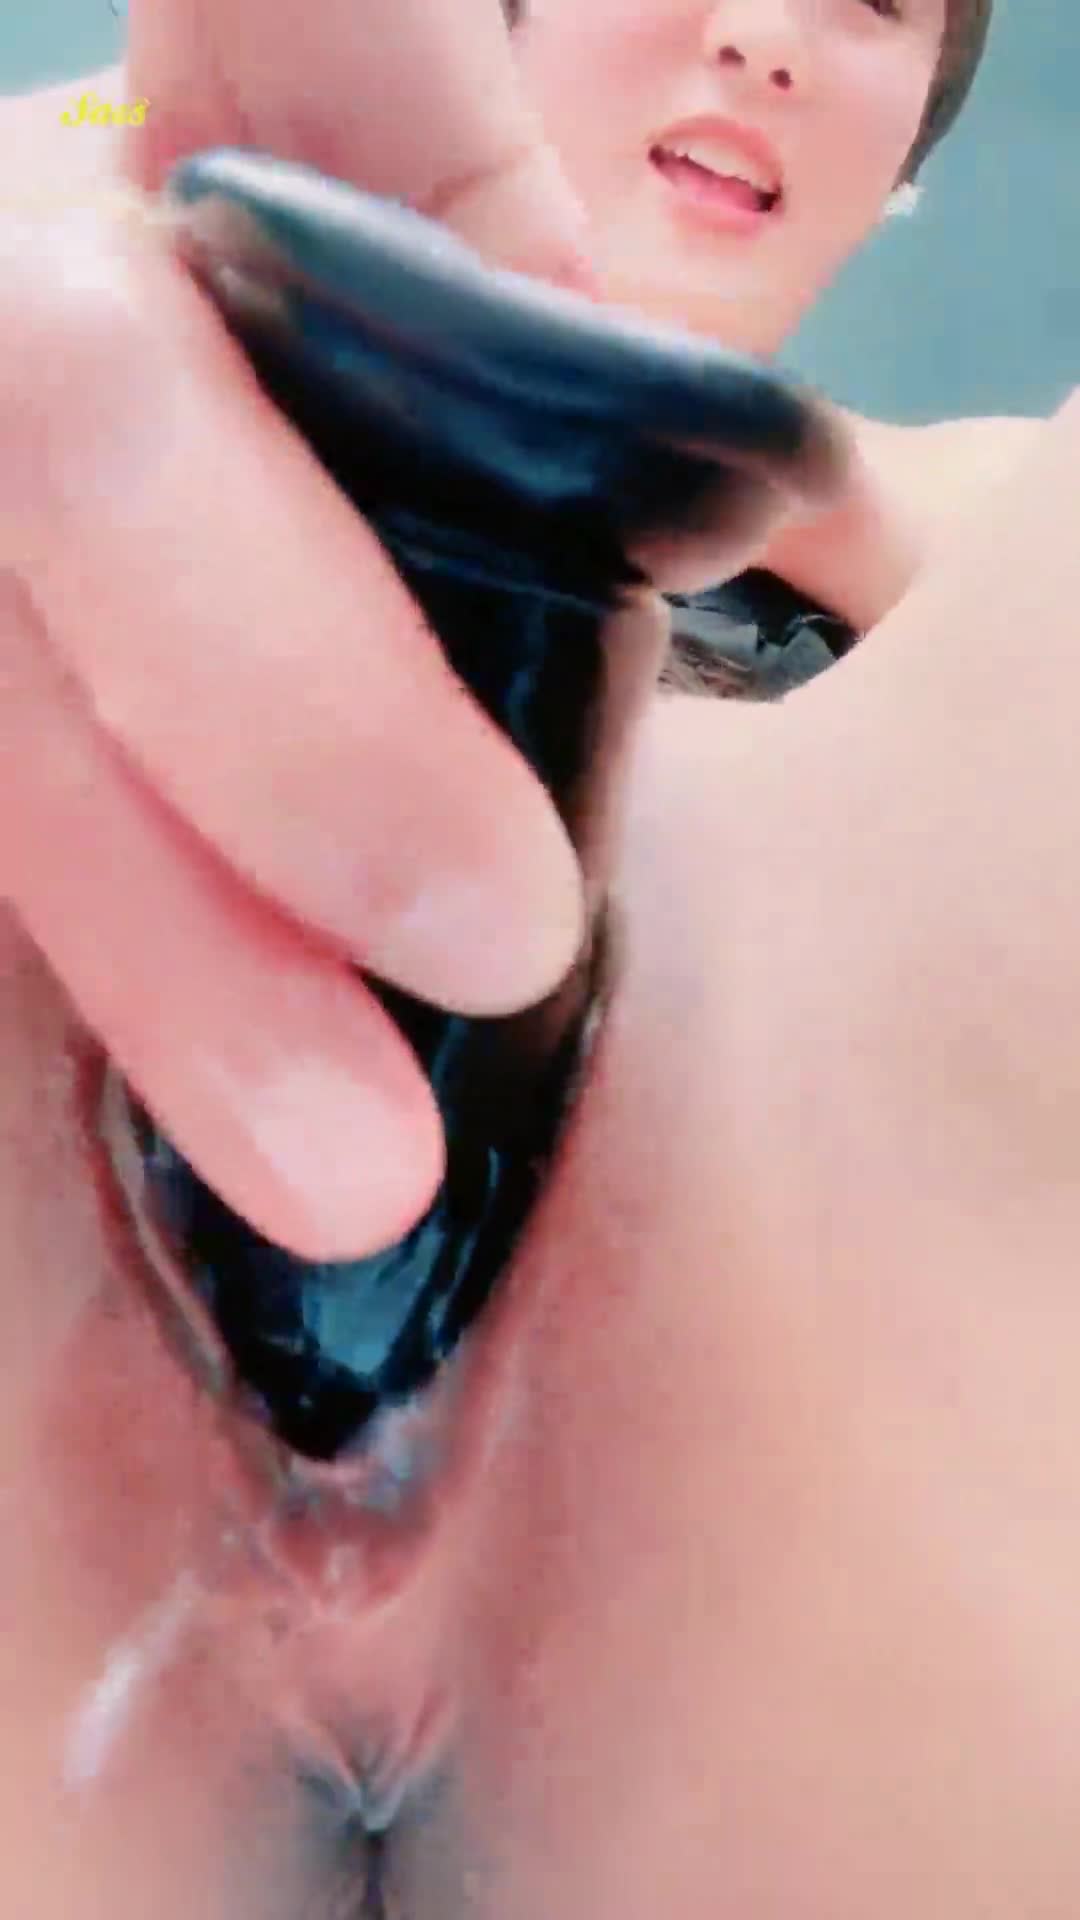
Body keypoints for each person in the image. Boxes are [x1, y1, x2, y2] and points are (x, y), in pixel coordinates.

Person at [0, 4, 1078, 1919]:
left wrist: (815, 494)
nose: (763, 35)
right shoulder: (80, 247)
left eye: (874, 1)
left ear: (908, 155)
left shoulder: (992, 538)